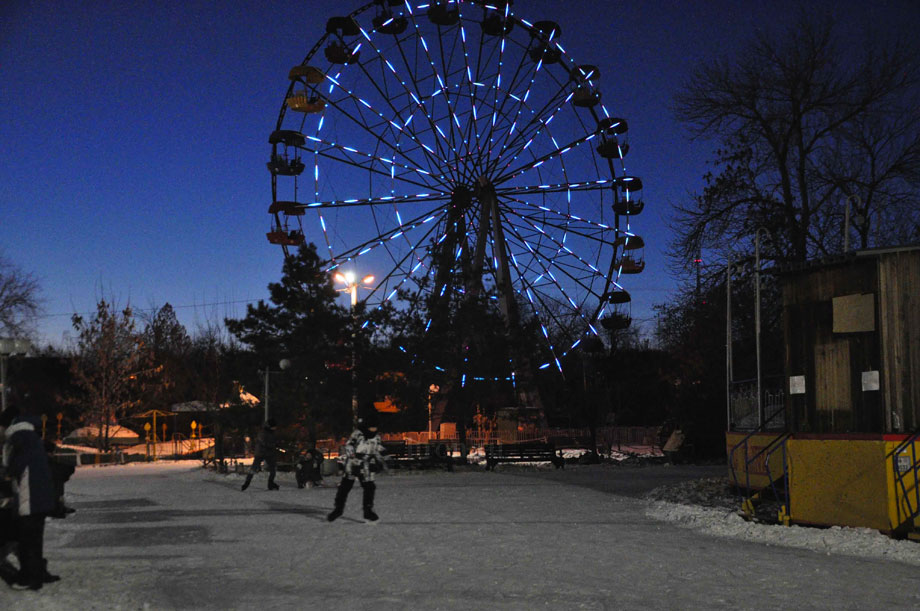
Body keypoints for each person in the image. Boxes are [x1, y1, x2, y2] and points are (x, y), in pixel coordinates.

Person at [2, 408, 59, 590]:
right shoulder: (30, 436)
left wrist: (9, 474)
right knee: (31, 539)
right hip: (39, 498)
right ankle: (37, 574)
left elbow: (16, 467)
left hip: (29, 498)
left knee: (27, 540)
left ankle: (30, 578)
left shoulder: (19, 438)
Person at [327, 410, 386, 523]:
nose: (373, 430)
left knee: (370, 487)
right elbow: (349, 446)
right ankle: (338, 509)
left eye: (375, 428)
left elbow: (377, 449)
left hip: (367, 466)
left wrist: (381, 459)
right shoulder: (358, 434)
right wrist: (354, 458)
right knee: (345, 487)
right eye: (371, 428)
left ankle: (368, 510)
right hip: (354, 464)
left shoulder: (376, 437)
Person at [241, 419, 279, 491]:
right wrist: (271, 445)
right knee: (253, 469)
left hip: (269, 453)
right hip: (261, 453)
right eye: (274, 427)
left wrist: (275, 445)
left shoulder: (272, 433)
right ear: (270, 426)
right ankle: (247, 483)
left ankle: (270, 483)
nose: (275, 428)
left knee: (273, 469)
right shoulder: (263, 432)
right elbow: (263, 442)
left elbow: (274, 441)